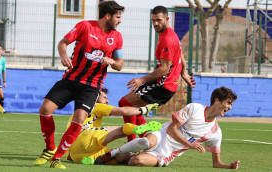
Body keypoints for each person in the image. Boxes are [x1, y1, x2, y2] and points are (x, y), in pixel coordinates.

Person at [34, 1, 125, 169]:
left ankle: (57, 158)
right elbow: (63, 42)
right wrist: (63, 55)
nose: (120, 21)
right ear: (107, 16)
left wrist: (112, 61)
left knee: (80, 118)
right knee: (45, 109)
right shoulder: (84, 26)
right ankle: (49, 148)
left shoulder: (117, 37)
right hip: (71, 79)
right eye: (118, 17)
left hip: (92, 86)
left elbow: (119, 64)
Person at [95, 86, 240, 170]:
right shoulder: (195, 108)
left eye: (231, 104)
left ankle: (126, 156)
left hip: (167, 153)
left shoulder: (216, 132)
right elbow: (171, 129)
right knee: (147, 142)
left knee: (136, 162)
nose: (229, 107)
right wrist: (189, 144)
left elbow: (216, 163)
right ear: (216, 100)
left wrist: (228, 166)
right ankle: (112, 153)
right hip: (162, 135)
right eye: (228, 103)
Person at [119, 6, 196, 141]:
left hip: (163, 85)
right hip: (163, 83)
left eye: (159, 20)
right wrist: (183, 72)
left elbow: (164, 69)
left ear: (167, 19)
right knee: (133, 108)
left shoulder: (168, 39)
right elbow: (180, 54)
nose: (155, 23)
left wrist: (142, 80)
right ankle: (146, 139)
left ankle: (133, 143)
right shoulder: (170, 34)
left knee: (125, 103)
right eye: (153, 20)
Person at [65, 88, 161, 164]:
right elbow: (123, 111)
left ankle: (94, 160)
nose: (107, 101)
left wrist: (70, 155)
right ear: (95, 97)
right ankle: (136, 128)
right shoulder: (94, 105)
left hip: (75, 154)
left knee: (123, 154)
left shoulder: (80, 110)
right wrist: (143, 110)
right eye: (104, 97)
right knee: (122, 129)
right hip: (84, 136)